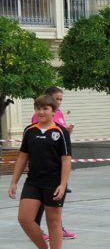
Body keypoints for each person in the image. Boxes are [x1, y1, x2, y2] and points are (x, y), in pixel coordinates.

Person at [8, 94, 72, 249]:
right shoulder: (30, 130)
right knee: (24, 219)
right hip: (33, 181)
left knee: (54, 222)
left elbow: (66, 160)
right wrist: (14, 181)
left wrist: (62, 184)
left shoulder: (60, 132)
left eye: (45, 108)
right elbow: (22, 157)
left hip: (53, 182)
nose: (41, 112)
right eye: (38, 108)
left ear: (53, 111)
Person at [32, 86, 76, 241]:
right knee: (41, 202)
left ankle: (59, 229)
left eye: (60, 99)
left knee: (56, 200)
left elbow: (61, 135)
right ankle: (36, 228)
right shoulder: (39, 117)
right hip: (43, 167)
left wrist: (68, 131)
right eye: (56, 99)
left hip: (58, 166)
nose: (59, 102)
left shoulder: (59, 114)